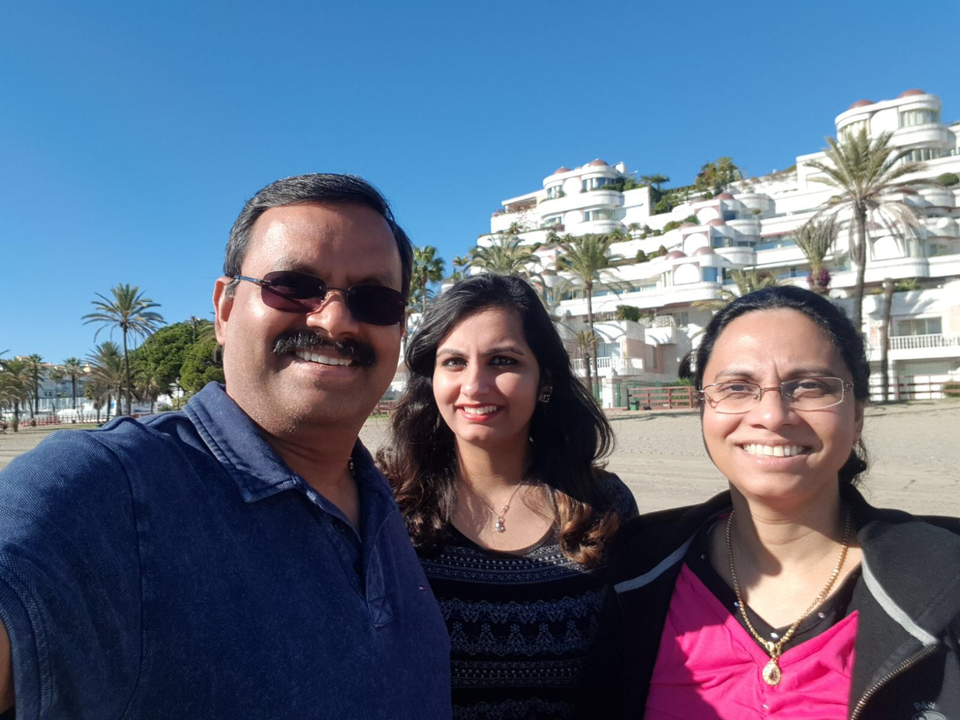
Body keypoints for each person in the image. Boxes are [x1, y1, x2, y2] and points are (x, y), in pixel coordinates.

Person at [0, 174, 451, 719]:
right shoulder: (110, 487)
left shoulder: (380, 495)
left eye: (374, 300)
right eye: (293, 285)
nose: (334, 320)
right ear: (225, 309)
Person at [588, 286, 960, 719]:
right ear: (704, 408)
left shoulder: (944, 580)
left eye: (810, 386)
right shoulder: (639, 568)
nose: (772, 415)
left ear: (857, 413)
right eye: (737, 387)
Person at [377, 273, 638, 720]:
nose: (474, 386)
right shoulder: (387, 502)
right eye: (454, 362)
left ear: (544, 379)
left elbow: (629, 666)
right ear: (431, 378)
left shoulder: (603, 505)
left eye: (502, 361)